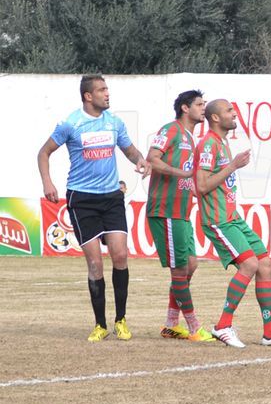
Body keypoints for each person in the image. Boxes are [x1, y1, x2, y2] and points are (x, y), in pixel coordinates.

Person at [37, 75, 151, 341]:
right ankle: (100, 325)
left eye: (107, 89)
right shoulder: (71, 123)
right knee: (95, 263)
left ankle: (121, 320)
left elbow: (130, 151)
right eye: (101, 90)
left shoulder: (114, 122)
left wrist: (140, 160)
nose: (107, 94)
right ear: (88, 96)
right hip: (82, 200)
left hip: (111, 197)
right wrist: (47, 182)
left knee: (120, 256)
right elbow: (44, 152)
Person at [194, 99, 271, 348]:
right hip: (218, 220)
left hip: (233, 217)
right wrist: (233, 166)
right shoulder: (209, 144)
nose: (234, 114)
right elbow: (201, 186)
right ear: (215, 118)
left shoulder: (222, 142)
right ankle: (222, 326)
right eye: (229, 111)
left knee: (265, 265)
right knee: (250, 264)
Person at [146, 90, 214, 342]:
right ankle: (194, 327)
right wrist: (182, 174)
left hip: (182, 211)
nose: (204, 109)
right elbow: (153, 159)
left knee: (191, 265)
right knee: (180, 269)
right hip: (166, 209)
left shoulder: (191, 138)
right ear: (185, 108)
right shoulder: (171, 130)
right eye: (199, 104)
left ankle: (171, 324)